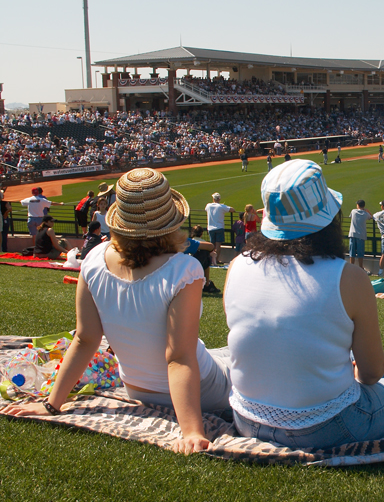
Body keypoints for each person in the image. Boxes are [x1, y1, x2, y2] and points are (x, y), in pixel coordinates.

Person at [223, 159, 384, 449]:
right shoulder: (349, 278)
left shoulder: (236, 267)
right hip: (327, 426)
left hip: (247, 420)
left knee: (351, 366)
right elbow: (371, 374)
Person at [1, 168, 233, 455]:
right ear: (171, 221)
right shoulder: (184, 270)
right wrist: (192, 431)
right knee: (241, 356)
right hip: (204, 390)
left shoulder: (95, 258)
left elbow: (85, 339)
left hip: (136, 387)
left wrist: (51, 404)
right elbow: (178, 357)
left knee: (222, 353)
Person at [184, 225, 219, 293]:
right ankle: (207, 283)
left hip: (188, 266)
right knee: (207, 260)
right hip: (202, 264)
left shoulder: (190, 242)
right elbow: (211, 247)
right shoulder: (201, 243)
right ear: (201, 233)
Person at [205, 192, 235, 265]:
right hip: (219, 227)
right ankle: (217, 259)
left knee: (212, 245)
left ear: (213, 199)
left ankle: (212, 259)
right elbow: (232, 209)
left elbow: (206, 209)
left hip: (211, 228)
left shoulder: (208, 206)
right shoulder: (221, 206)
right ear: (219, 199)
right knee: (218, 245)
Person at [348, 199, 372, 273]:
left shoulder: (353, 211)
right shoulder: (365, 214)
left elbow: (350, 217)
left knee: (352, 252)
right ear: (364, 206)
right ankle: (360, 267)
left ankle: (351, 267)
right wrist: (367, 210)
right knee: (360, 253)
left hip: (352, 234)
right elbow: (371, 217)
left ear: (357, 205)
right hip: (361, 235)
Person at [1, 188, 11, 253]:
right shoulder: (4, 202)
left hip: (3, 219)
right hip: (4, 219)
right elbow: (10, 208)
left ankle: (3, 249)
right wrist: (5, 214)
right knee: (4, 235)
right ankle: (4, 249)